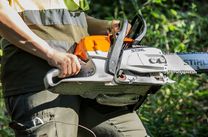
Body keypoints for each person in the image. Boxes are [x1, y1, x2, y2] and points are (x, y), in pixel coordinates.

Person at [0, 0, 148, 137]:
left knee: (132, 133)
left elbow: (69, 21)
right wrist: (50, 53)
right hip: (42, 80)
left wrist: (105, 26)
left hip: (87, 79)